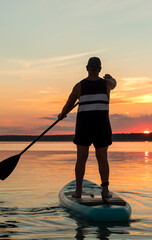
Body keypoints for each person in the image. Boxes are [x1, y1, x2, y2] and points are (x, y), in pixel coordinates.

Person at [58, 57, 117, 199]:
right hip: (101, 126)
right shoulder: (107, 84)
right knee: (102, 158)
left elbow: (69, 103)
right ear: (99, 69)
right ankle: (105, 191)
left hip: (84, 127)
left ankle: (78, 191)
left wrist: (62, 114)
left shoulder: (79, 86)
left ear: (87, 68)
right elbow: (115, 83)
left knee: (81, 159)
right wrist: (110, 77)